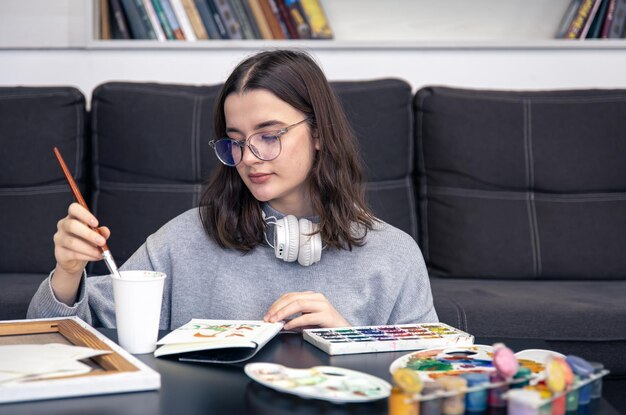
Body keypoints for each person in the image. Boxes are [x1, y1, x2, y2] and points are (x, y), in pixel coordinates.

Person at [28, 49, 437, 331]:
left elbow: (430, 378)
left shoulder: (393, 256)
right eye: (235, 140)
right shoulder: (184, 240)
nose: (249, 157)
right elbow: (57, 337)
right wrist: (68, 273)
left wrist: (350, 342)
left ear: (319, 134)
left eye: (269, 135)